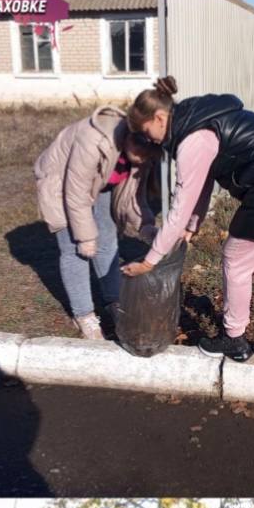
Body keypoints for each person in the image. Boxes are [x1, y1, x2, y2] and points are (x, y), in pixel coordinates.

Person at [123, 76, 254, 372]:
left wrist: (150, 260)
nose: (150, 140)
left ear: (159, 118)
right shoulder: (203, 120)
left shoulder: (192, 139)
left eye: (148, 132)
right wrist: (192, 226)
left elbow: (180, 205)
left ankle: (233, 339)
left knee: (235, 261)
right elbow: (203, 184)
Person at [33, 106, 160, 339]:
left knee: (107, 241)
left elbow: (134, 196)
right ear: (129, 138)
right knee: (76, 250)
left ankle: (114, 300)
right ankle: (84, 315)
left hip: (99, 183)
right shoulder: (94, 141)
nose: (142, 159)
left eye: (147, 156)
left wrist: (146, 225)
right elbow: (75, 192)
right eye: (139, 152)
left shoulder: (144, 148)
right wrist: (85, 236)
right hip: (61, 182)